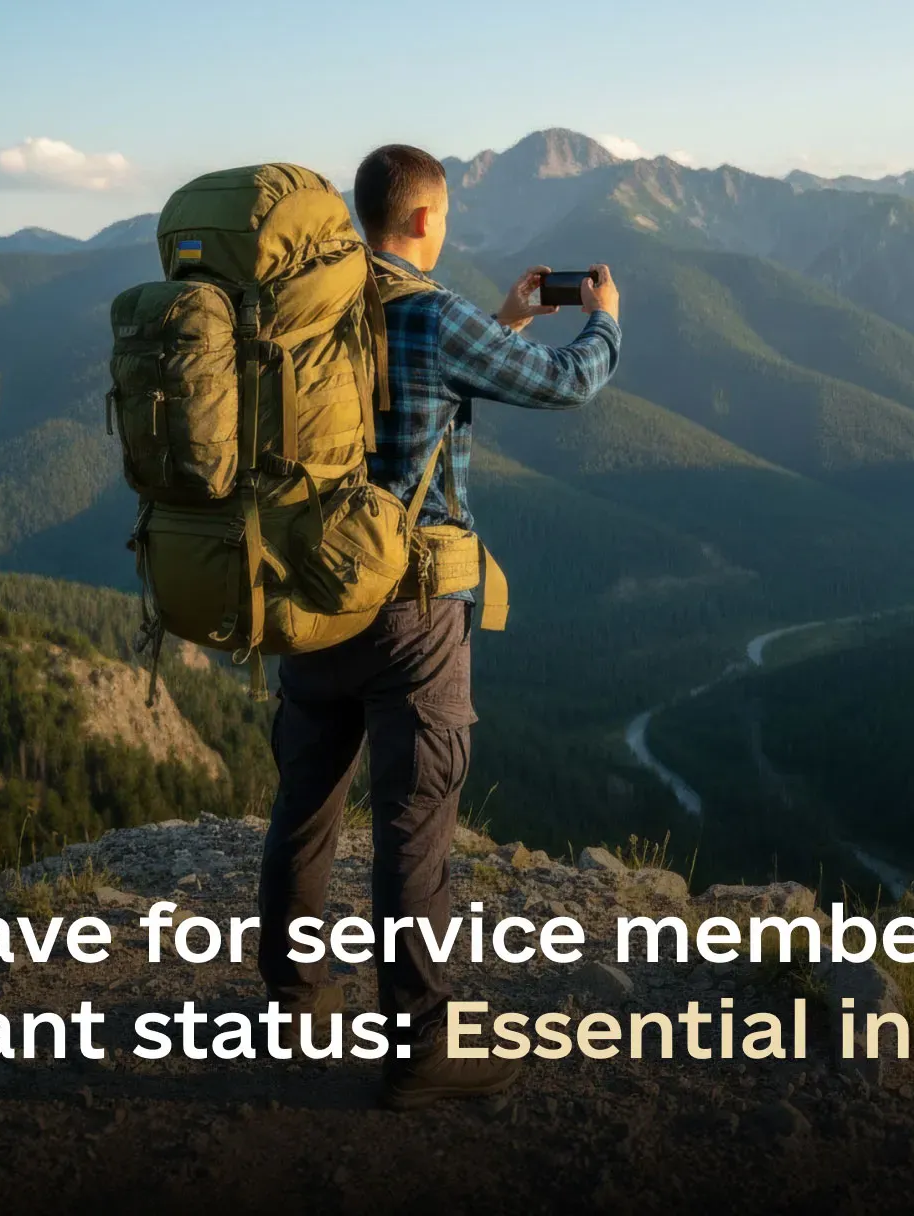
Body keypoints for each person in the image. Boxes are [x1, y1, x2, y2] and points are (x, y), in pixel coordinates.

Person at [257, 143, 622, 1109]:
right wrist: (605, 323)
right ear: (425, 220)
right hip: (412, 611)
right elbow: (568, 383)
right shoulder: (430, 314)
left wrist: (501, 320)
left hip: (314, 594)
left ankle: (292, 999)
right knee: (414, 823)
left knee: (307, 799)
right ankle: (421, 1047)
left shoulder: (312, 310)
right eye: (446, 216)